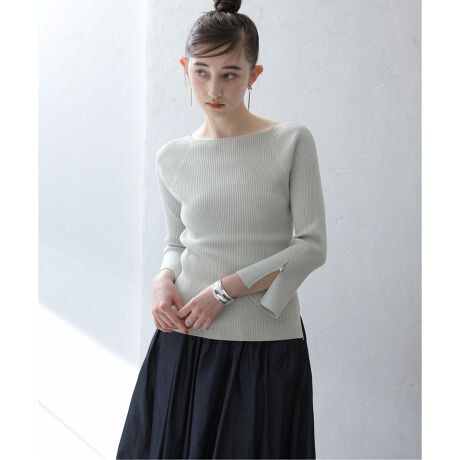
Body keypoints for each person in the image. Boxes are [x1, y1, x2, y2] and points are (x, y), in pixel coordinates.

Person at [116, 1, 327, 458]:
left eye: (230, 74)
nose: (213, 88)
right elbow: (176, 242)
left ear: (254, 75)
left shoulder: (291, 142)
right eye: (202, 72)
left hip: (263, 342)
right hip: (184, 339)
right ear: (184, 69)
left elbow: (311, 246)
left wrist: (225, 290)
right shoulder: (172, 156)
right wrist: (163, 278)